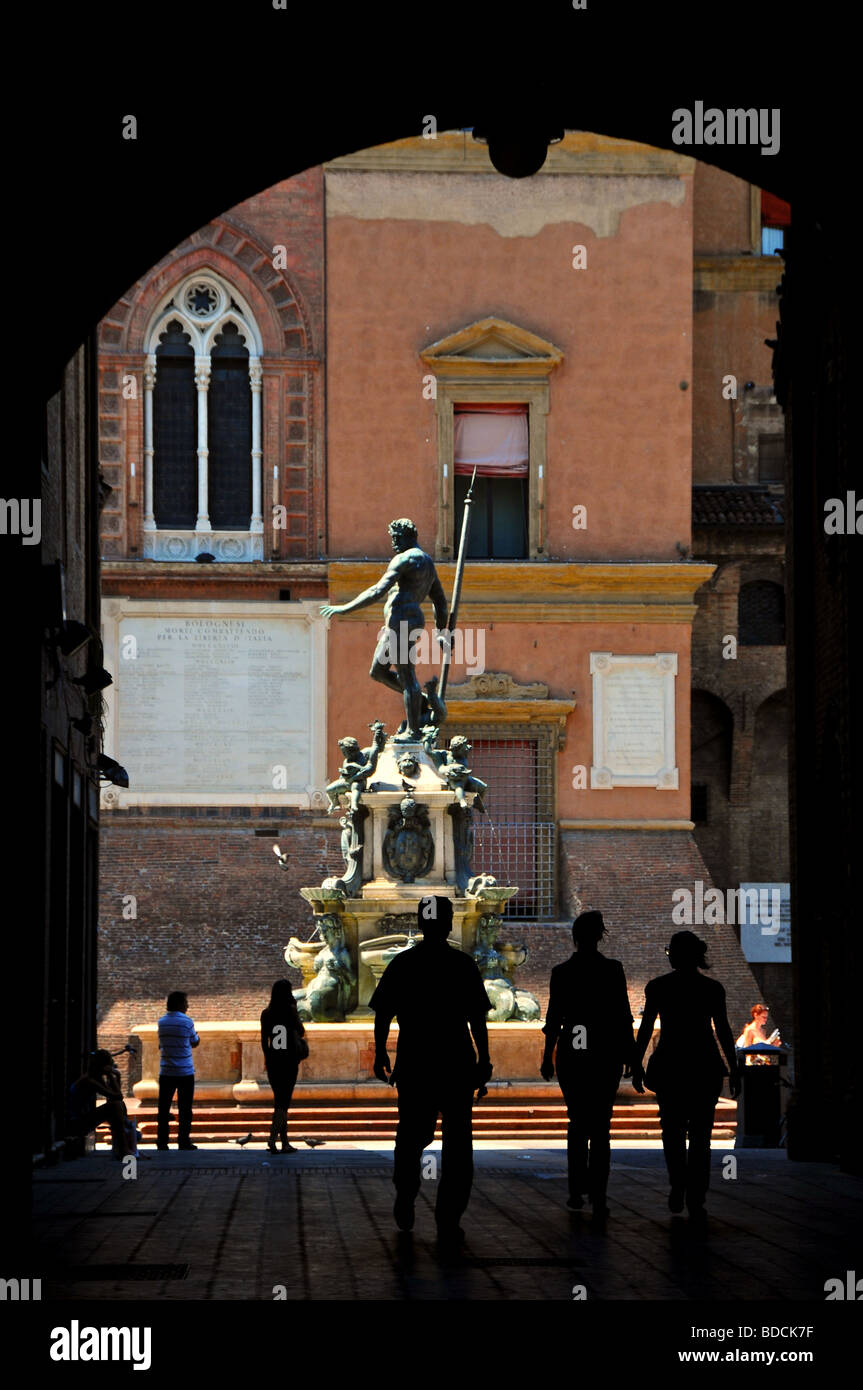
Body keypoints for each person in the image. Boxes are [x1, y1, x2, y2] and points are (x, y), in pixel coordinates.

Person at [370, 895, 492, 1244]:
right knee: (458, 1144)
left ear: (421, 924)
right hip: (455, 1064)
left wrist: (381, 1052)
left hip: (415, 1063)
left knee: (411, 1136)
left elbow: (383, 1013)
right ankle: (449, 1217)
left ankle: (406, 1194)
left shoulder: (403, 964)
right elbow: (477, 1019)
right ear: (450, 923)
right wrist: (483, 1059)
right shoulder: (463, 965)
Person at [632, 931, 740, 1218]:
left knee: (673, 1131)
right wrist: (734, 1068)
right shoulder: (712, 989)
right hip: (704, 1065)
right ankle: (697, 1195)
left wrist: (636, 1063)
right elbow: (724, 1031)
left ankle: (678, 1184)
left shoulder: (658, 987)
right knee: (702, 1134)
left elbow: (645, 1029)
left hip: (670, 1065)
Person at [320, 517, 448, 741]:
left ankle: (413, 731)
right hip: (405, 620)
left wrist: (345, 608)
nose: (393, 543)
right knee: (377, 671)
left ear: (408, 537)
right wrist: (441, 630)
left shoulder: (404, 559)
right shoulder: (428, 564)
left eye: (396, 538)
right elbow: (440, 600)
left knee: (407, 675)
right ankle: (423, 702)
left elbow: (377, 590)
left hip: (401, 620)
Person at [541, 911, 634, 1217]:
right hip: (605, 1053)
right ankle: (599, 1194)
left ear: (575, 937)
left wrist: (547, 1056)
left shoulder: (562, 972)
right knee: (601, 1127)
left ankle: (575, 1191)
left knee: (577, 1124)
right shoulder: (612, 970)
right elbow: (623, 1015)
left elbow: (554, 1018)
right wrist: (631, 1055)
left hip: (573, 1054)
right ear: (599, 936)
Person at [261, 979, 307, 1153]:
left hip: (274, 1060)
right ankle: (273, 1139)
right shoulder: (290, 1011)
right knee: (283, 1102)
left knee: (279, 1101)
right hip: (289, 1060)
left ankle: (285, 1142)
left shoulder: (267, 1013)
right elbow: (301, 1031)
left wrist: (267, 1058)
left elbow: (264, 1040)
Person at [156, 991, 200, 1151]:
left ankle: (162, 1141)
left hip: (166, 1071)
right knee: (185, 1108)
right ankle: (183, 1141)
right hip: (185, 1072)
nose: (187, 1005)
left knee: (163, 1108)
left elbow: (161, 1043)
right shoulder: (187, 1022)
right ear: (180, 1004)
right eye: (186, 1002)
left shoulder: (161, 1022)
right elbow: (194, 1042)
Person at [70, 1049, 130, 1158]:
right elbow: (117, 1096)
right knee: (115, 1107)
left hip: (83, 1119)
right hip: (76, 1123)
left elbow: (115, 1097)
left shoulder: (96, 1079)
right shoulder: (89, 1080)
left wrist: (116, 1077)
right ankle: (123, 1149)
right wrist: (112, 1076)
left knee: (118, 1106)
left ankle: (122, 1147)